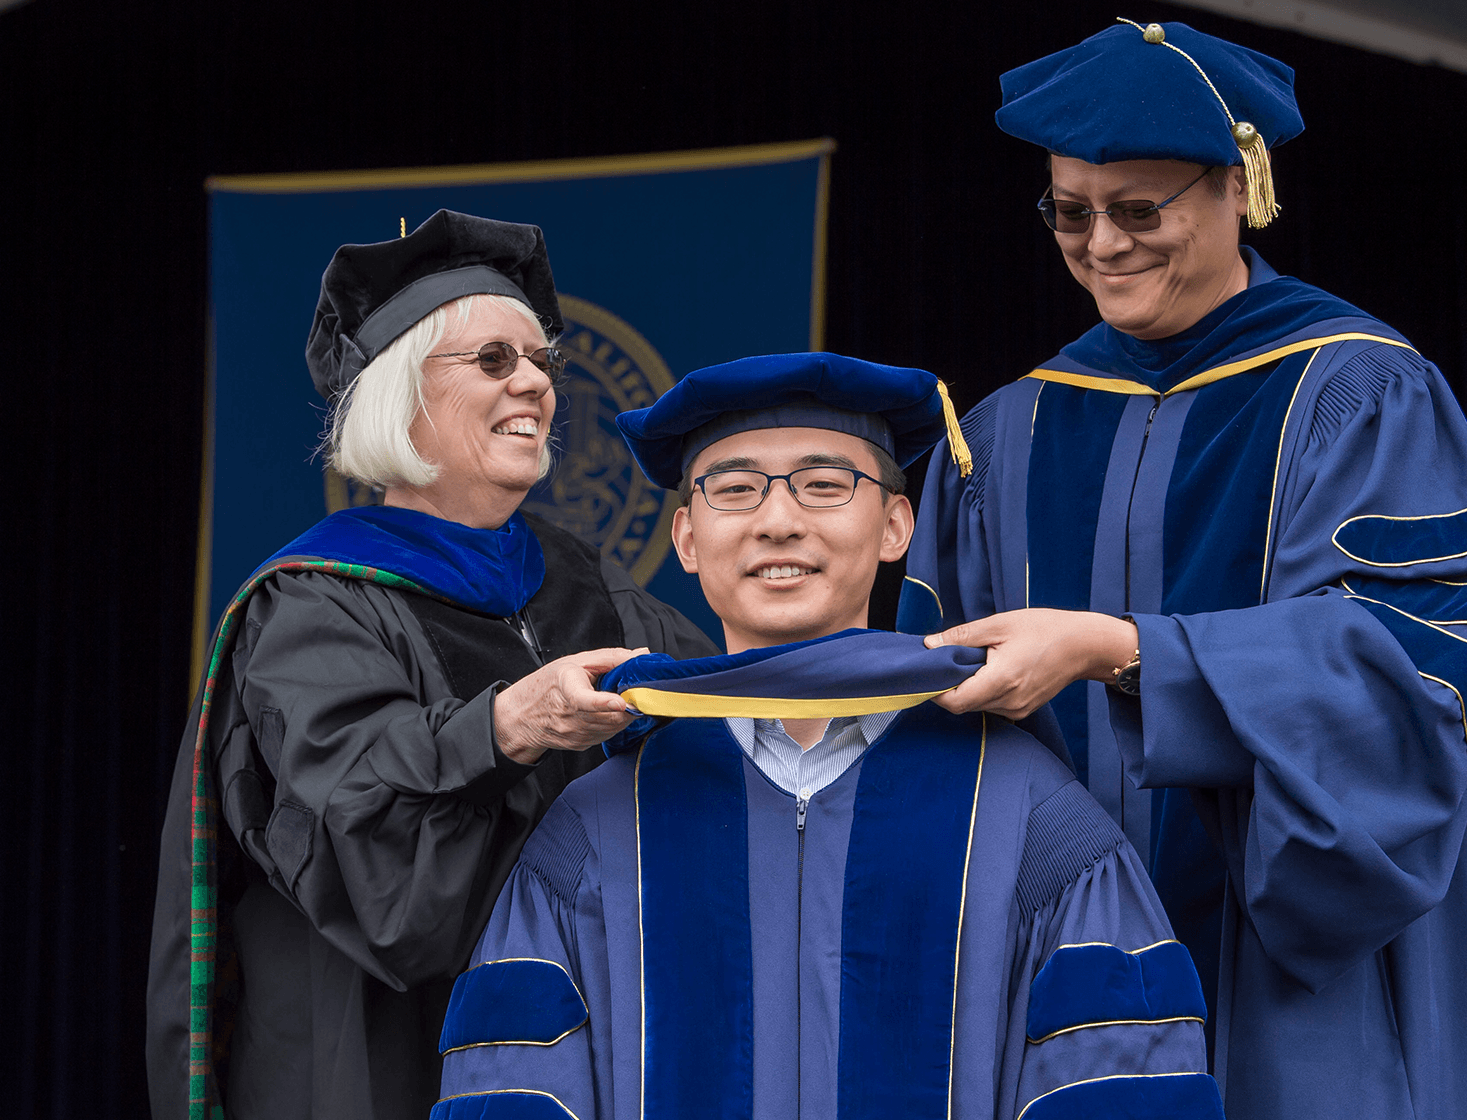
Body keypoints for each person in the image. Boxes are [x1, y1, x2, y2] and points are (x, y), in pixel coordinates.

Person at [898, 20, 1467, 1120]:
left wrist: (1125, 651)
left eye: (1139, 210)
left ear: (1241, 189)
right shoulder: (1003, 434)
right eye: (1070, 211)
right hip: (1060, 976)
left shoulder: (1357, 394)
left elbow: (1411, 663)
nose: (1101, 245)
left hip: (1296, 969)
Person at [430, 352, 1224, 1119]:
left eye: (824, 485)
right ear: (687, 540)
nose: (779, 520)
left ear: (895, 527)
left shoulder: (1029, 815)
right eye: (735, 489)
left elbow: (1120, 1086)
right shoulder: (595, 829)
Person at [146, 210, 715, 1120]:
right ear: (399, 396)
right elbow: (375, 865)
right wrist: (508, 727)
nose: (535, 381)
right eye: (495, 360)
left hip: (577, 1055)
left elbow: (734, 730)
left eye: (542, 361)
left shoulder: (588, 588)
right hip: (376, 1064)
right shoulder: (311, 605)